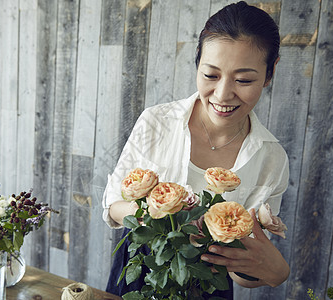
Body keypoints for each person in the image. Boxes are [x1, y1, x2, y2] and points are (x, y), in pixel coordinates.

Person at [102, 1, 290, 298]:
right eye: (211, 75)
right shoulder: (157, 121)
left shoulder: (271, 158)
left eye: (244, 80)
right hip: (140, 273)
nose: (223, 94)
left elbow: (241, 271)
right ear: (197, 62)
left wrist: (274, 272)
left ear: (270, 72)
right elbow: (113, 204)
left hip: (207, 288)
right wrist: (163, 218)